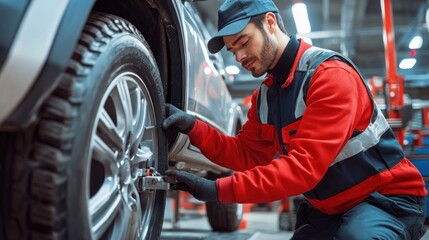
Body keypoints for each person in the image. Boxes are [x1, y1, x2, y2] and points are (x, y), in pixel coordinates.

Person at [162, 0, 428, 239]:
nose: (239, 56)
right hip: (332, 210)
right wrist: (192, 127)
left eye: (243, 42)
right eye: (232, 51)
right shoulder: (265, 97)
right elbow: (245, 154)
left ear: (270, 22)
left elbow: (303, 169)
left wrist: (217, 190)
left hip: (386, 201)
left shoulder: (328, 76)